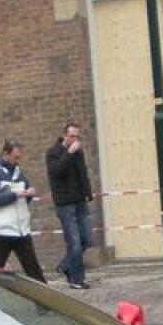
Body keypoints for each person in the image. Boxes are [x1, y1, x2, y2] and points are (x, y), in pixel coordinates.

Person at [0, 139, 46, 282]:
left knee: (34, 271)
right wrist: (16, 194)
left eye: (19, 157)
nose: (18, 160)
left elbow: (25, 198)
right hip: (3, 231)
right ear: (6, 153)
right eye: (15, 157)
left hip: (22, 231)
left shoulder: (19, 172)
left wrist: (29, 194)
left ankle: (47, 301)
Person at [46, 122, 94, 289]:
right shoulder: (53, 153)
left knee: (87, 239)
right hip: (65, 205)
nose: (75, 139)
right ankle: (76, 280)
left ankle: (65, 266)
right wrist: (68, 153)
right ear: (64, 136)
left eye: (77, 136)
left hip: (80, 201)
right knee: (73, 242)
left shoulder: (78, 153)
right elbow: (56, 172)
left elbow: (83, 173)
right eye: (72, 136)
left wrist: (88, 193)